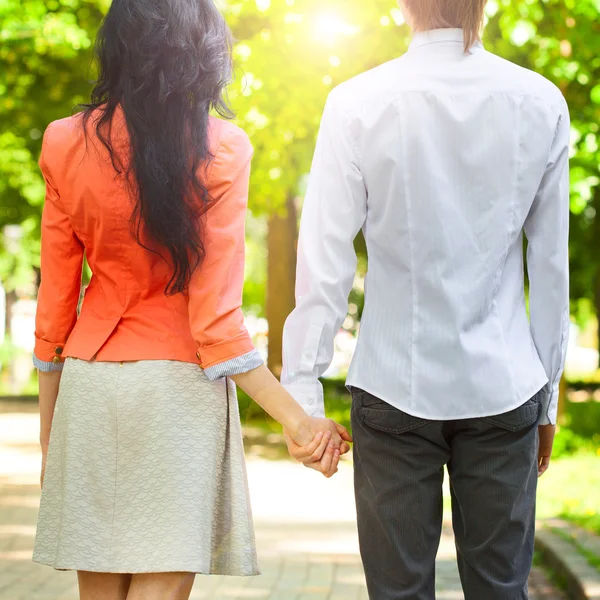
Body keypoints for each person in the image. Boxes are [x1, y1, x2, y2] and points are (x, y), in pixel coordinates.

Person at [31, 1, 351, 599]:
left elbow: (54, 312)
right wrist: (300, 424)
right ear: (203, 54)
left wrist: (52, 440)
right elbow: (215, 322)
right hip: (178, 388)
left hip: (90, 384)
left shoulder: (62, 141)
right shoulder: (222, 148)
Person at [282, 0, 570, 598]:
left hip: (392, 387)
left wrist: (303, 394)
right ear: (487, 4)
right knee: (500, 590)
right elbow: (548, 270)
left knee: (397, 593)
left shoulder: (356, 102)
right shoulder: (540, 101)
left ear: (402, 5)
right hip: (505, 388)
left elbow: (325, 262)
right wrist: (547, 398)